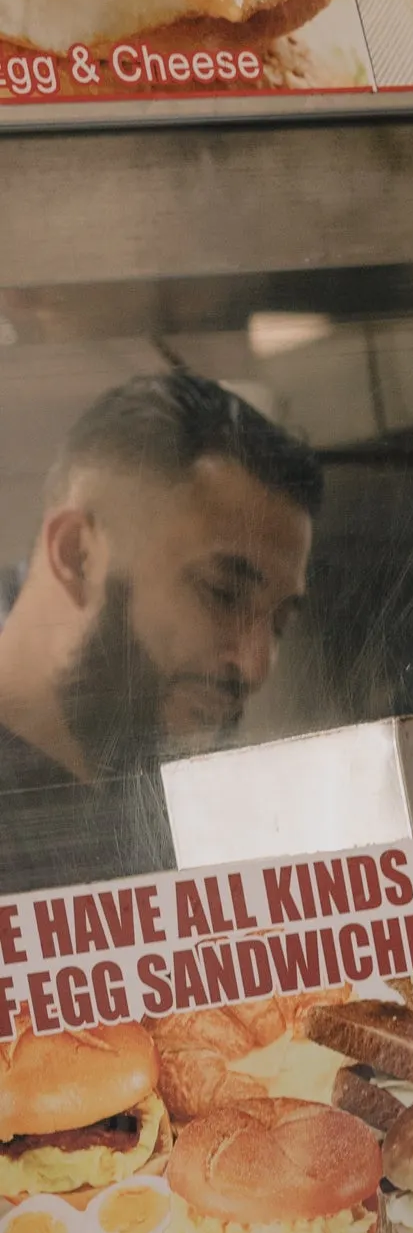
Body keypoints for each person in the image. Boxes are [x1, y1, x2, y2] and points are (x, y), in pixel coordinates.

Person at [0, 368, 321, 900]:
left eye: (281, 622)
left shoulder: (166, 821)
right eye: (222, 592)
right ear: (77, 555)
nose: (256, 665)